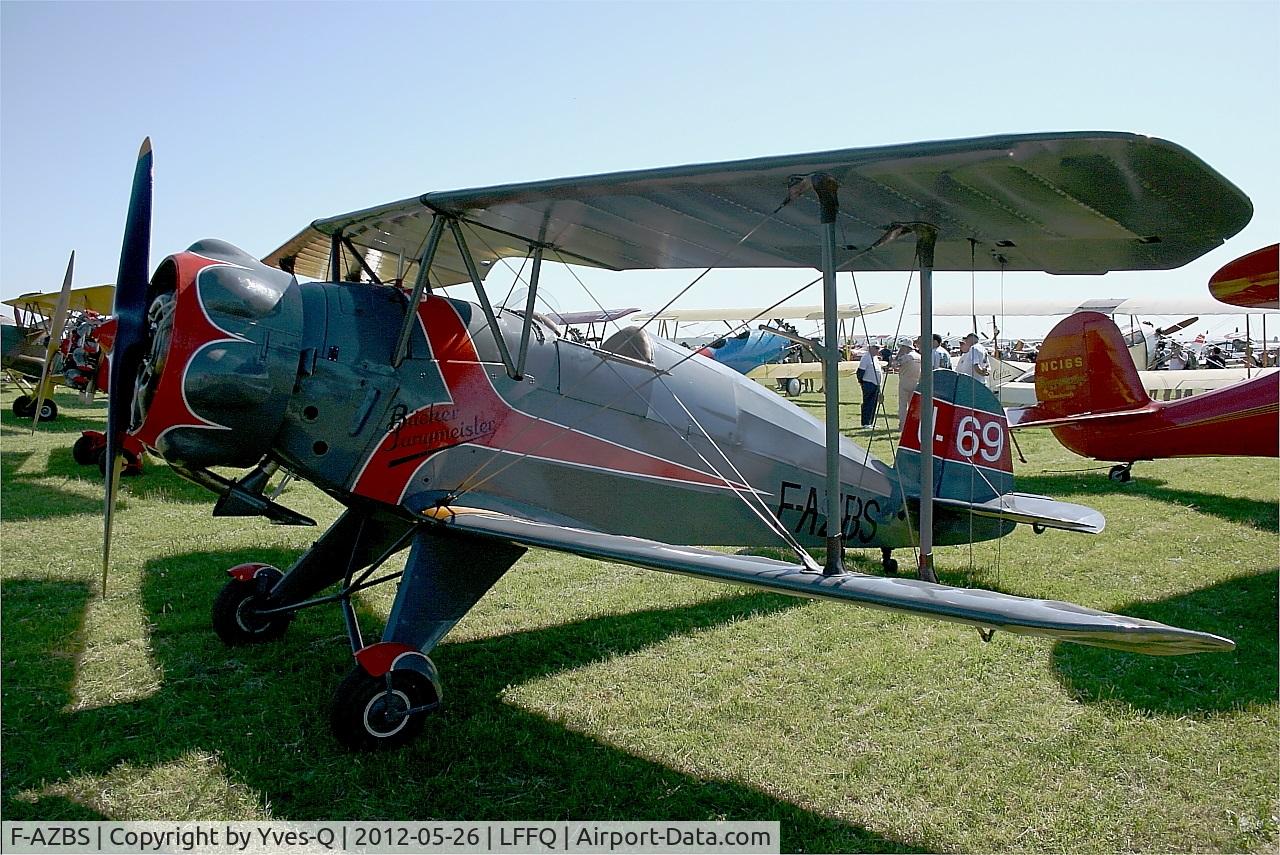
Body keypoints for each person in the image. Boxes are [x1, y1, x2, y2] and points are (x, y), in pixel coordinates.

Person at [856, 345, 884, 428]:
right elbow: (860, 371)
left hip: (876, 384)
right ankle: (865, 423)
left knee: (873, 404)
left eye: (878, 348)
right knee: (868, 403)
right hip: (868, 383)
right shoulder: (866, 357)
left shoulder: (875, 358)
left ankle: (870, 422)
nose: (877, 350)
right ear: (870, 348)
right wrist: (861, 381)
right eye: (876, 348)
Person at [896, 341, 922, 426]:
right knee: (913, 405)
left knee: (903, 405)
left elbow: (895, 364)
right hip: (916, 382)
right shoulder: (919, 356)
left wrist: (898, 355)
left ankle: (903, 424)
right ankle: (913, 423)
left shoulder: (906, 357)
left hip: (905, 381)